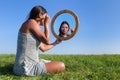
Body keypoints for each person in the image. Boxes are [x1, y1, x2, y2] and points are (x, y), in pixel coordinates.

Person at [13, 5, 65, 76]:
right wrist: (47, 24)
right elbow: (47, 41)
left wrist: (55, 43)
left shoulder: (32, 27)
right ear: (40, 15)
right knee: (61, 65)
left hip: (24, 65)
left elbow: (43, 48)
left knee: (53, 63)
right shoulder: (31, 23)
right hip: (25, 67)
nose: (47, 19)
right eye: (45, 17)